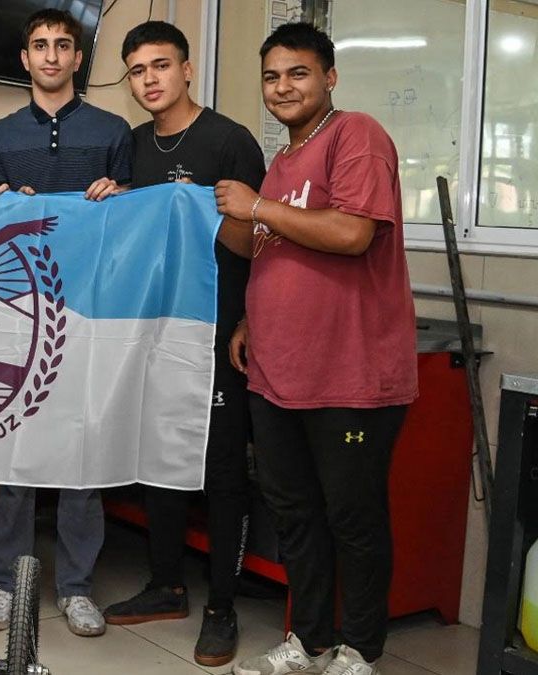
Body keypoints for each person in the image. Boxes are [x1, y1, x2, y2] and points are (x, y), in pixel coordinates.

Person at [214, 22, 417, 675]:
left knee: (352, 514)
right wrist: (249, 314)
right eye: (271, 76)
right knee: (293, 510)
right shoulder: (281, 161)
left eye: (297, 73)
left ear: (329, 77)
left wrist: (258, 208)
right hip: (278, 370)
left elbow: (353, 232)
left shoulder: (356, 136)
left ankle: (360, 647)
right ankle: (311, 637)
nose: (282, 87)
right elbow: (270, 248)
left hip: (351, 377)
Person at [96, 21, 265, 668]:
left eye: (160, 66)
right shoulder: (130, 145)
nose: (149, 80)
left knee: (222, 468)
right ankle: (166, 583)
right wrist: (116, 204)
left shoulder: (230, 141)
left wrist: (206, 212)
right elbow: (119, 239)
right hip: (151, 328)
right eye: (137, 70)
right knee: (159, 455)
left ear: (187, 69)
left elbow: (256, 241)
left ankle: (221, 605)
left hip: (216, 331)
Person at [0, 8, 132, 639]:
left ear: (77, 58)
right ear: (25, 58)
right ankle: (7, 584)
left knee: (80, 455)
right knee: (17, 454)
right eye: (39, 45)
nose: (50, 56)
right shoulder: (1, 134)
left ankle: (75, 586)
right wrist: (6, 207)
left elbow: (135, 225)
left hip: (91, 313)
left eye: (63, 46)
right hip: (22, 314)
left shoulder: (114, 129)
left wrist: (118, 199)